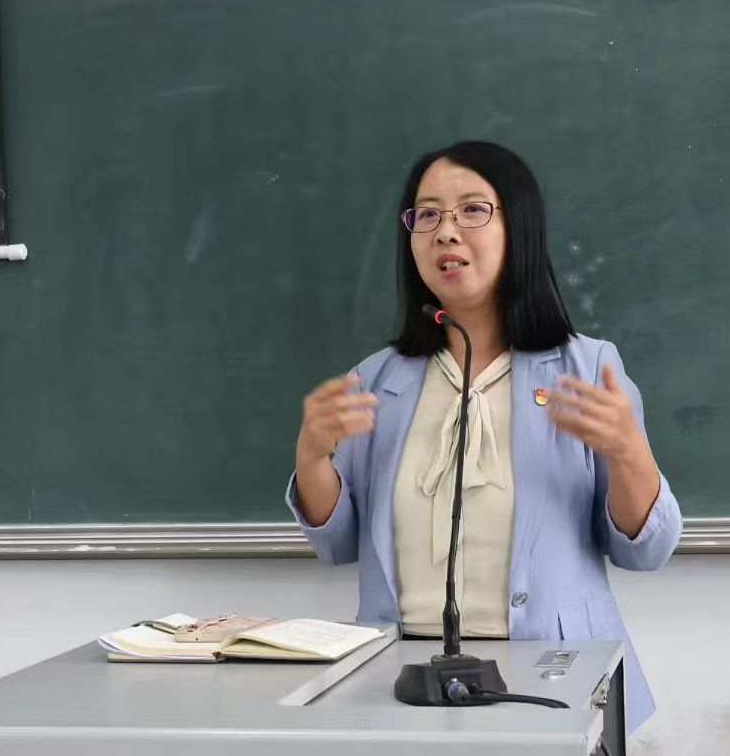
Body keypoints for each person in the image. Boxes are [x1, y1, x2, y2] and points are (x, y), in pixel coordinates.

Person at [288, 140, 682, 735]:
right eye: (427, 215)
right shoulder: (377, 379)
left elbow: (644, 552)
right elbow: (337, 544)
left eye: (472, 210)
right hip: (399, 682)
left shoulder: (586, 368)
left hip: (553, 679)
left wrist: (629, 454)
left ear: (518, 228)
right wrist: (312, 456)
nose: (445, 232)